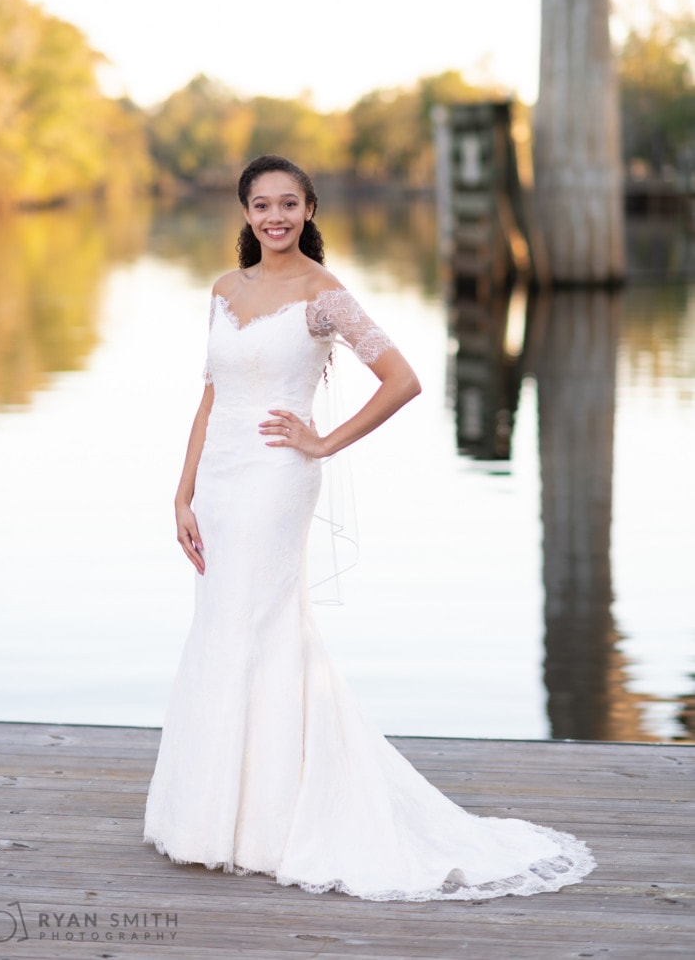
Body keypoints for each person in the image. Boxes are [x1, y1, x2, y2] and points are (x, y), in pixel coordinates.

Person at [143, 155, 595, 901]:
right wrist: (182, 492)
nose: (275, 217)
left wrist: (321, 440)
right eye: (261, 205)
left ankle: (273, 821)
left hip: (277, 477)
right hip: (219, 482)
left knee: (258, 627)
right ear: (245, 214)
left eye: (288, 204)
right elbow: (209, 395)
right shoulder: (224, 290)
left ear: (310, 209)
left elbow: (403, 379)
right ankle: (215, 814)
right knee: (221, 624)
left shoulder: (325, 296)